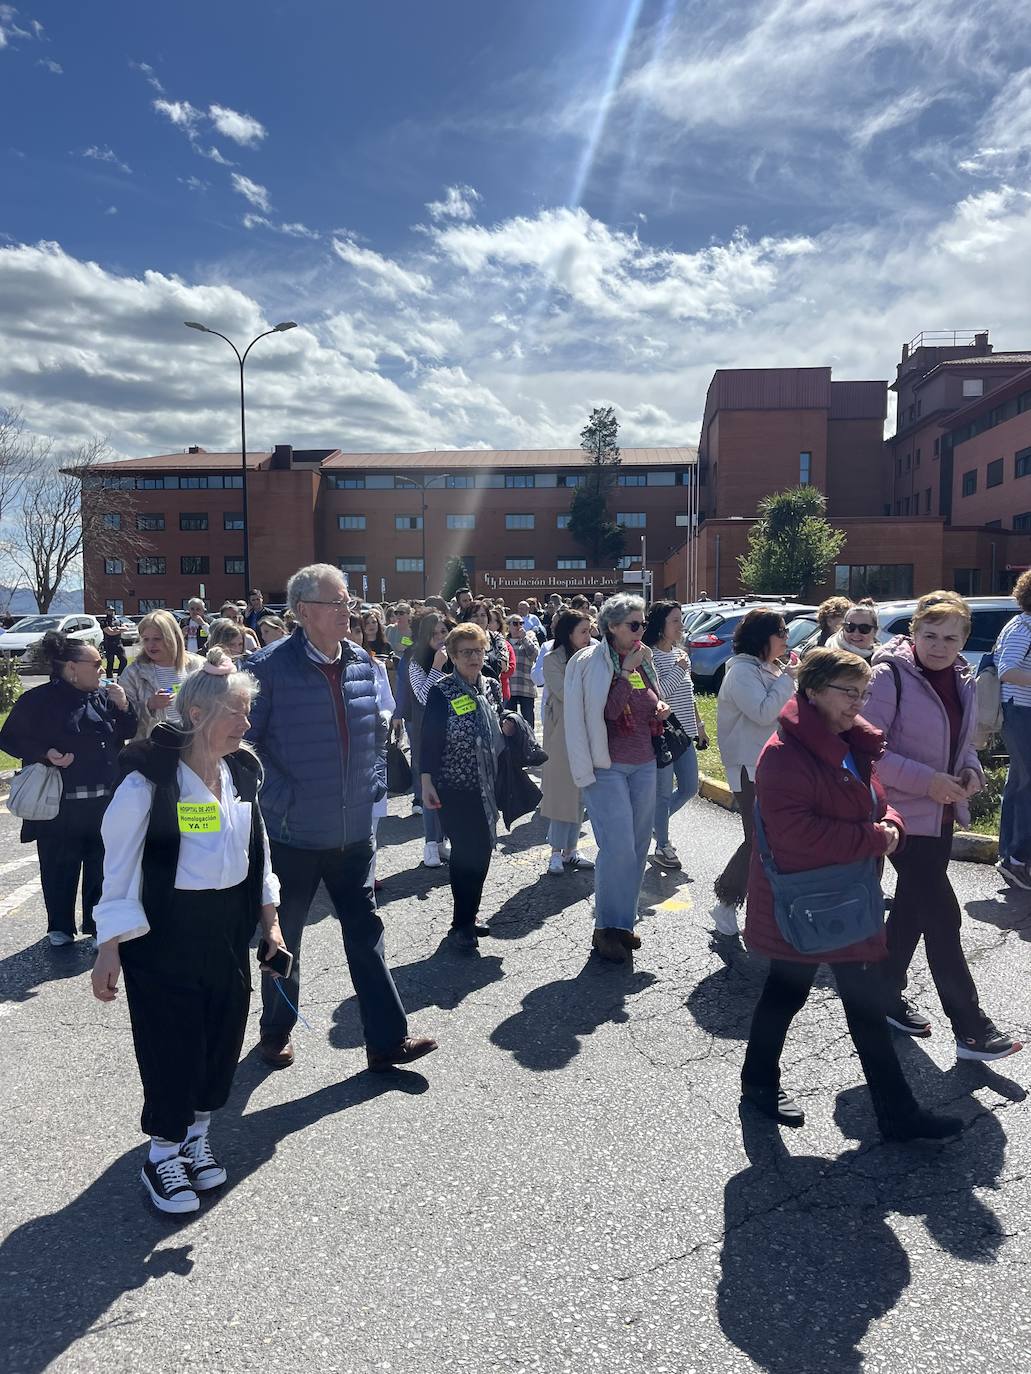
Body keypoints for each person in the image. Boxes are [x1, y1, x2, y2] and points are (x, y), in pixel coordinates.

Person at [90, 648, 289, 1214]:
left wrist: (269, 925)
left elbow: (261, 854)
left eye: (248, 712)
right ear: (198, 715)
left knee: (220, 1042)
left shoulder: (242, 770)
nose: (246, 724)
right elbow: (119, 868)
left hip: (227, 928)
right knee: (170, 1045)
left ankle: (196, 1140)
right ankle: (161, 1154)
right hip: (164, 932)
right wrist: (109, 948)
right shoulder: (147, 782)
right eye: (236, 712)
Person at [740, 647, 963, 1141]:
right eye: (848, 692)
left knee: (851, 1003)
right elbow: (796, 834)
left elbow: (876, 800)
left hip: (842, 900)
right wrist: (875, 838)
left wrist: (893, 824)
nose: (858, 703)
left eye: (863, 693)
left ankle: (895, 1113)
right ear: (813, 690)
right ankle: (761, 1084)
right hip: (805, 903)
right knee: (793, 993)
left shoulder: (848, 742)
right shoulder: (783, 756)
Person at [245, 562, 436, 1072]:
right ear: (305, 611)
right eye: (337, 602)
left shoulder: (361, 662)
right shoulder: (265, 669)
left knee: (365, 933)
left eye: (348, 600)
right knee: (284, 938)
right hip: (292, 833)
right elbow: (244, 747)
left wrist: (373, 782)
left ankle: (387, 1041)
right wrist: (281, 795)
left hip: (353, 832)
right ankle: (274, 1031)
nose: (347, 609)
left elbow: (377, 732)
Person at [864, 591, 1020, 1060]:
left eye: (951, 637)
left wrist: (971, 771)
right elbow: (867, 750)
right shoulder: (888, 675)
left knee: (912, 909)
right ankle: (971, 1028)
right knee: (943, 918)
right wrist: (927, 781)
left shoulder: (962, 677)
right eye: (929, 635)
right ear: (912, 633)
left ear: (964, 639)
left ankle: (881, 994)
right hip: (901, 815)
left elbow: (963, 744)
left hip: (943, 812)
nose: (939, 645)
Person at [0, 630, 136, 945]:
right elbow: (9, 738)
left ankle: (96, 923)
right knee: (58, 865)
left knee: (101, 867)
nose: (103, 669)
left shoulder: (104, 695)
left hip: (103, 799)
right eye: (96, 663)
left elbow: (126, 731)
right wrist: (44, 754)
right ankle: (59, 926)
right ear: (72, 668)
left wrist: (124, 705)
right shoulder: (38, 699)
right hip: (59, 802)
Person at [564, 594, 671, 962]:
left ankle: (623, 925)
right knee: (619, 846)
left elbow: (647, 698)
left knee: (639, 846)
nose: (642, 630)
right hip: (606, 766)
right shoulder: (592, 662)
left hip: (643, 762)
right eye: (635, 625)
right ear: (612, 627)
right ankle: (604, 927)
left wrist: (659, 706)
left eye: (644, 624)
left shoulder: (644, 659)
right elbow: (608, 712)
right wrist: (626, 673)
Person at [420, 623, 515, 950]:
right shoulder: (442, 690)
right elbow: (429, 738)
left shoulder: (490, 685)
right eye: (466, 652)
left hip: (487, 783)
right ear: (454, 656)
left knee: (483, 850)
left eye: (478, 650)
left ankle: (469, 916)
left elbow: (500, 717)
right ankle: (461, 924)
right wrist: (426, 780)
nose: (474, 657)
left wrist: (510, 724)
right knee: (465, 851)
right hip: (453, 784)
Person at [711, 609, 796, 937]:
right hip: (750, 766)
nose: (786, 639)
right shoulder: (742, 673)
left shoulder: (768, 669)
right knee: (758, 838)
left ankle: (751, 906)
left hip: (771, 765)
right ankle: (727, 903)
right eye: (782, 633)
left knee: (768, 839)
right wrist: (789, 678)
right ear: (764, 638)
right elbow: (763, 713)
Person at [643, 600, 705, 872]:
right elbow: (659, 694)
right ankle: (662, 845)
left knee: (690, 787)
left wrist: (700, 724)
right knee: (664, 795)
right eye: (675, 621)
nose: (682, 626)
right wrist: (680, 669)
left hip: (685, 733)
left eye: (681, 619)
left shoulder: (682, 655)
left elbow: (688, 694)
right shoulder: (649, 656)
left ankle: (654, 826)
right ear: (660, 625)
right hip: (662, 735)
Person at [541, 609, 595, 875]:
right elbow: (566, 693)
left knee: (580, 795)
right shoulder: (552, 660)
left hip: (587, 732)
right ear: (568, 633)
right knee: (562, 794)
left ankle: (571, 850)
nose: (589, 637)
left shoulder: (593, 657)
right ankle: (555, 852)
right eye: (583, 631)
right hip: (561, 733)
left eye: (589, 631)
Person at [408, 612, 452, 867]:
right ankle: (430, 844)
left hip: (451, 732)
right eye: (434, 633)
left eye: (443, 632)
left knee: (447, 788)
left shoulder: (453, 656)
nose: (440, 638)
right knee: (429, 787)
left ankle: (442, 840)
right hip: (427, 734)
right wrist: (436, 667)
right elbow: (423, 696)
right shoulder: (417, 661)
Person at [996, 569, 1031, 890]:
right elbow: (1007, 670)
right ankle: (1016, 858)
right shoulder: (1024, 626)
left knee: (1019, 783)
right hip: (1019, 713)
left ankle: (1012, 855)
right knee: (1026, 785)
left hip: (1024, 712)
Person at [119, 610, 203, 741]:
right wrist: (149, 705)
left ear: (174, 637)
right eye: (146, 639)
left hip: (193, 746)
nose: (150, 645)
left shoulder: (198, 666)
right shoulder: (132, 673)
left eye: (157, 639)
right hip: (153, 750)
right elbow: (123, 718)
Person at [460, 599, 509, 686]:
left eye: (483, 615)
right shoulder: (459, 639)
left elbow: (503, 665)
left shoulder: (496, 637)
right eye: (475, 615)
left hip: (491, 689)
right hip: (464, 688)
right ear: (467, 619)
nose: (479, 619)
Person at [506, 614, 540, 725]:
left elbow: (535, 656)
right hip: (510, 686)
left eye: (521, 623)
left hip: (526, 685)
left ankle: (530, 742)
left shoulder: (530, 637)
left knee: (528, 721)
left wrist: (525, 639)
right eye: (515, 623)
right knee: (509, 720)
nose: (519, 626)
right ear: (508, 627)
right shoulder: (503, 641)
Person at [488, 606, 516, 699]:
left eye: (491, 621)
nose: (487, 623)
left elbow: (510, 668)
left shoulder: (505, 644)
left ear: (498, 624)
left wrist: (489, 672)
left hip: (501, 692)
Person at [101, 612, 128, 679]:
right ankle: (110, 680)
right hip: (109, 644)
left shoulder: (118, 620)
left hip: (118, 644)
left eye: (112, 611)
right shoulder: (104, 621)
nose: (111, 612)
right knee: (110, 663)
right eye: (109, 611)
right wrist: (119, 630)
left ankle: (120, 676)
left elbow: (126, 628)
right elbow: (110, 632)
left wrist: (116, 628)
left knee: (124, 660)